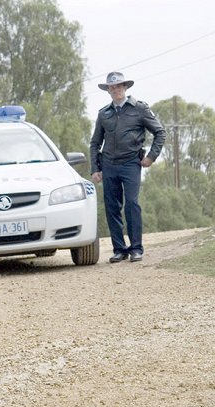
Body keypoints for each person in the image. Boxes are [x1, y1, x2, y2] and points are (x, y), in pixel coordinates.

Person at [89, 72, 166, 263]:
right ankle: (119, 249)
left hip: (131, 163)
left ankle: (136, 248)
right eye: (112, 87)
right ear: (108, 90)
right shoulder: (103, 113)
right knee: (112, 207)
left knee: (132, 204)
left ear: (125, 87)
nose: (116, 90)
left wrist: (151, 157)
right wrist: (95, 168)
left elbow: (160, 132)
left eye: (119, 86)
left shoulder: (139, 109)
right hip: (109, 165)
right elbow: (95, 143)